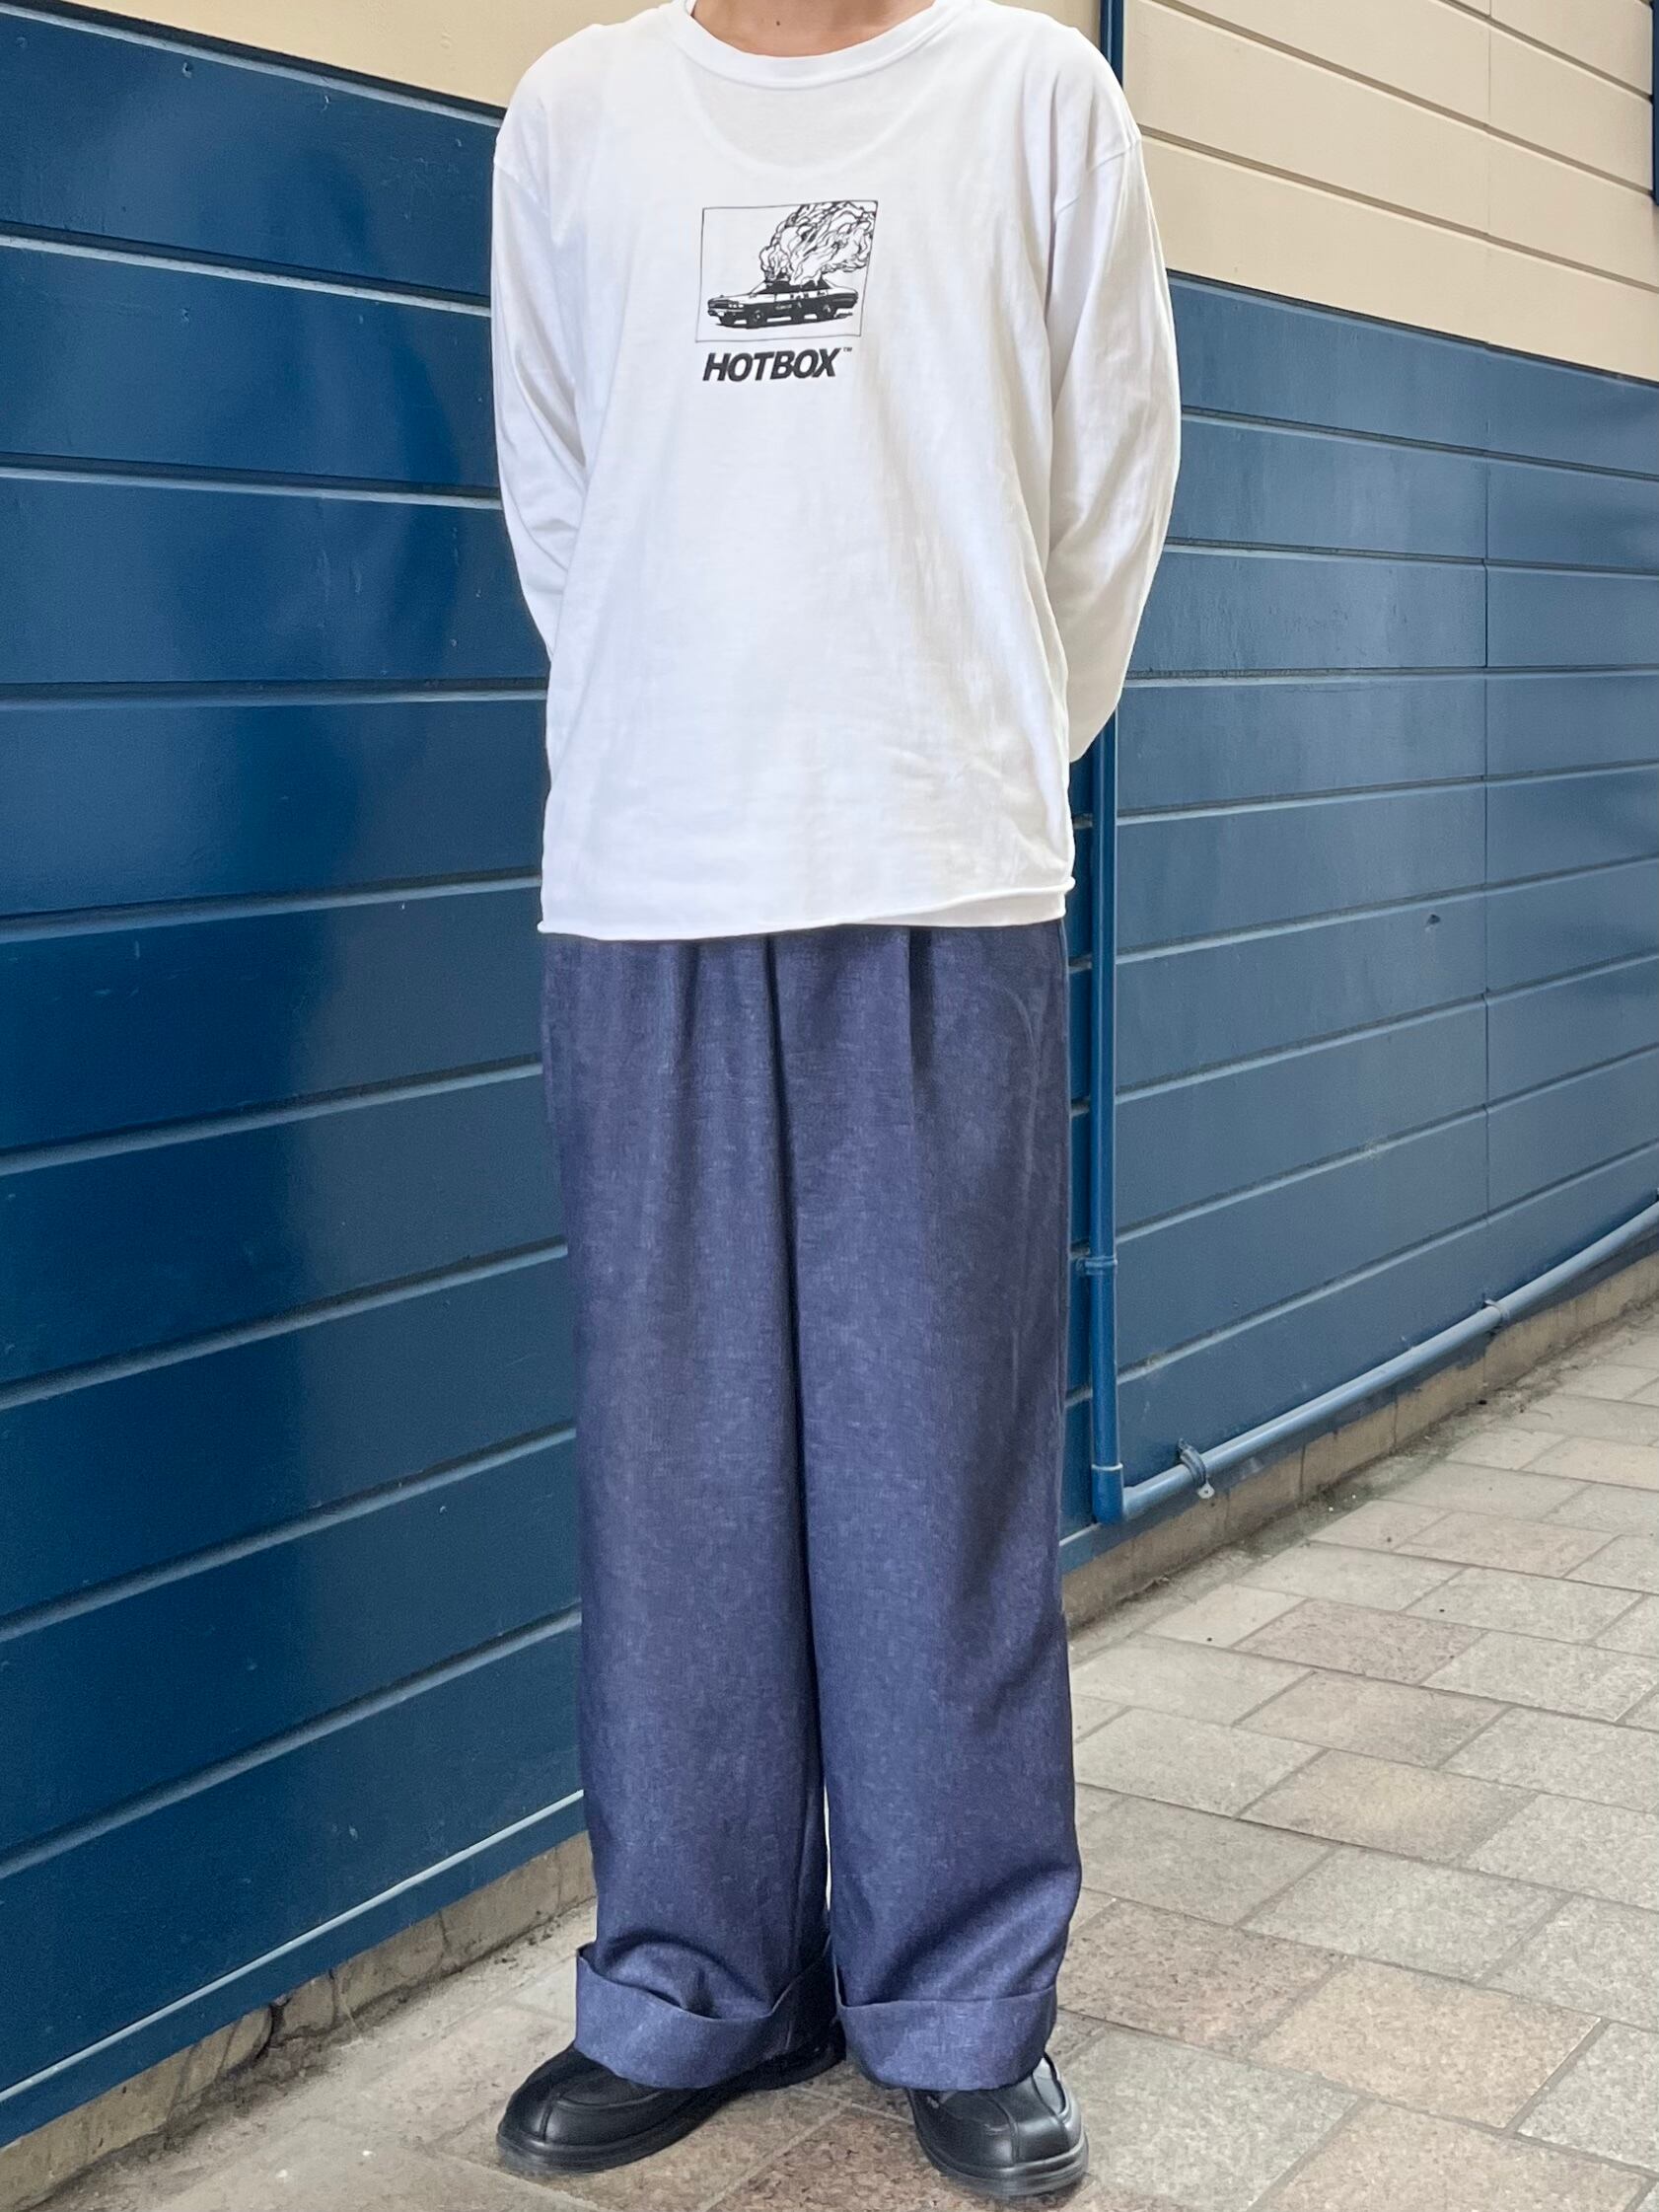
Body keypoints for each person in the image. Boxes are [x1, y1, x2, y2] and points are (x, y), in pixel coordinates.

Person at [487, 0, 1179, 2193]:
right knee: (674, 1476)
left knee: (932, 1473)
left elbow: (1108, 487)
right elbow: (560, 496)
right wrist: (677, 721)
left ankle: (958, 1999)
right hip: (650, 873)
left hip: (935, 861)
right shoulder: (574, 114)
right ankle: (690, 1982)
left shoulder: (1036, 100)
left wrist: (966, 736)